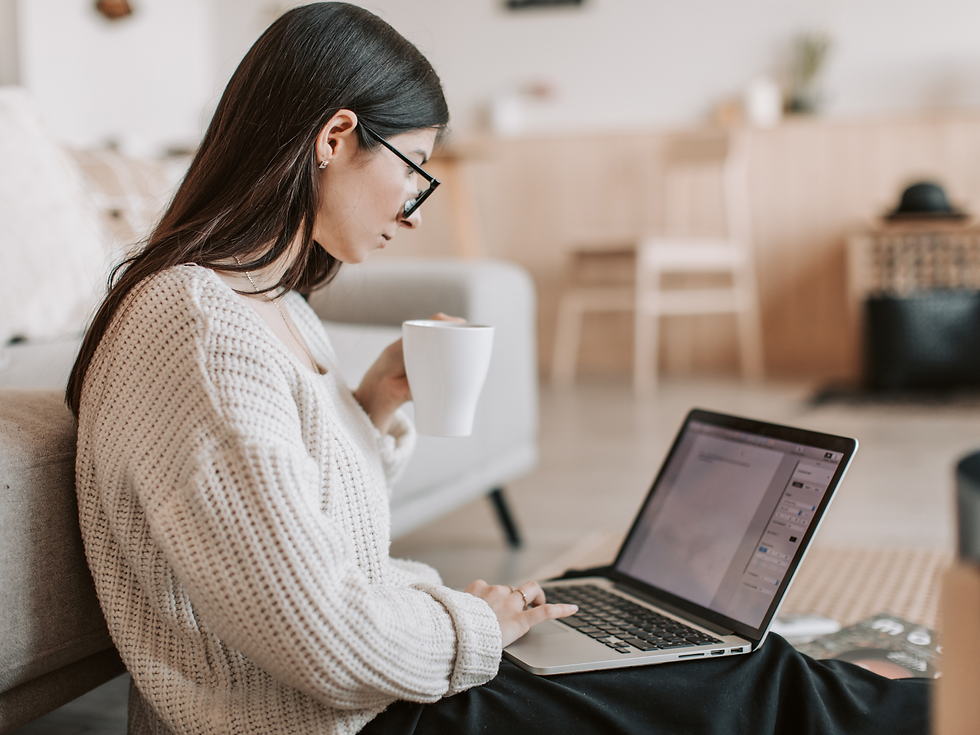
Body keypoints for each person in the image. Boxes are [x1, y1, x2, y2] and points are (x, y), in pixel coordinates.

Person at [66, 4, 930, 734]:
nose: (412, 211)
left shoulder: (271, 306)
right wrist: (475, 623)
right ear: (335, 136)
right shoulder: (198, 325)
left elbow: (307, 545)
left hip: (369, 694)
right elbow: (320, 635)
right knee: (756, 685)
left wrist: (365, 412)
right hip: (341, 718)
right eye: (413, 171)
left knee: (731, 662)